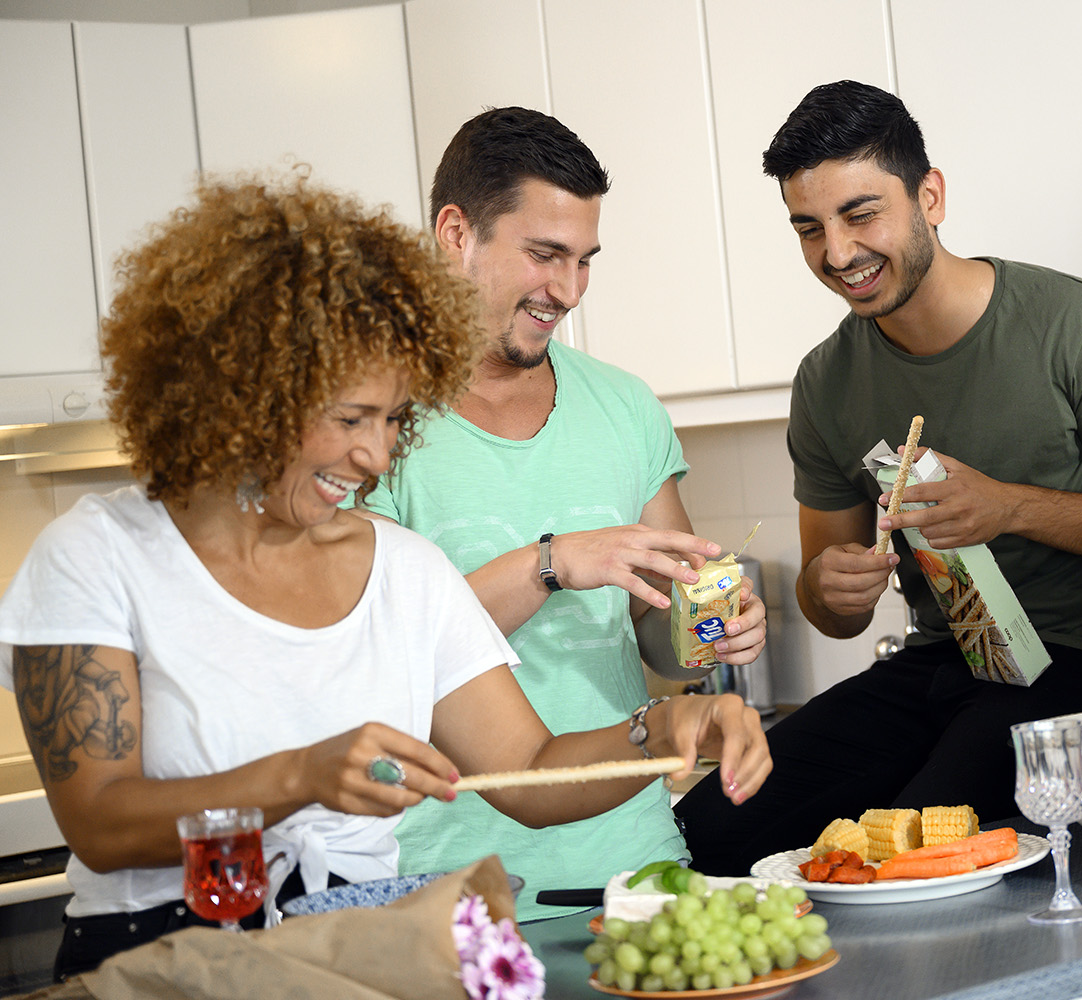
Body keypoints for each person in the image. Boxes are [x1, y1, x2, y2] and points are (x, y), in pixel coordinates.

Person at [0, 173, 770, 979]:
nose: (374, 457)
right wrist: (303, 776)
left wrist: (668, 728)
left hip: (347, 959)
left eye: (396, 418)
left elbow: (531, 774)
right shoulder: (97, 556)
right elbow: (99, 820)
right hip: (157, 963)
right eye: (349, 419)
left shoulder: (405, 570)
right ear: (246, 392)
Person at [674, 80, 1082, 874]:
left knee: (913, 838)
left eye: (862, 213)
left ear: (931, 195)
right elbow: (828, 607)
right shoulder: (826, 381)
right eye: (809, 228)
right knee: (707, 832)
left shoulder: (1075, 323)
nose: (838, 254)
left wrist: (1008, 508)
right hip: (939, 662)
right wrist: (833, 585)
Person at [350, 106, 769, 921]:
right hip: (449, 887)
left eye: (584, 260)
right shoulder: (368, 421)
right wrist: (550, 563)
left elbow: (663, 641)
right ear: (454, 233)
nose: (567, 291)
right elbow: (383, 661)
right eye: (544, 255)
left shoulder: (625, 407)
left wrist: (710, 626)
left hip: (638, 866)